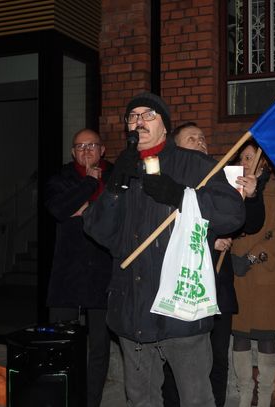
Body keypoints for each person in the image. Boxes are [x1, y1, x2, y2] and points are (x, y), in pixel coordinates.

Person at [83, 92, 245, 407]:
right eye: (133, 116)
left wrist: (180, 195)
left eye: (148, 115)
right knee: (141, 399)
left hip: (181, 313)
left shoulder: (194, 164)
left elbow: (232, 214)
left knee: (196, 399)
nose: (139, 121)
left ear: (165, 126)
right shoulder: (124, 169)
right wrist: (114, 187)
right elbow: (98, 231)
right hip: (132, 311)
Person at [160, 122, 263, 407]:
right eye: (192, 138)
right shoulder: (165, 179)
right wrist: (209, 240)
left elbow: (250, 223)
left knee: (217, 359)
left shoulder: (221, 177)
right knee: (175, 362)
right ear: (176, 147)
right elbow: (163, 231)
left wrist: (252, 197)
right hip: (181, 287)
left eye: (202, 138)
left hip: (216, 285)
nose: (200, 142)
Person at [44, 128, 113, 407]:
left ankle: (91, 401)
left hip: (105, 272)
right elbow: (58, 209)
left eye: (91, 145)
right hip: (68, 273)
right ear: (73, 152)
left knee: (99, 347)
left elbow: (118, 216)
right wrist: (89, 184)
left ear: (102, 150)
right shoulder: (61, 178)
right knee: (60, 343)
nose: (86, 150)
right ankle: (65, 399)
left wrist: (83, 208)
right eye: (80, 146)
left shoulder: (117, 175)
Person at [231, 140, 275, 407]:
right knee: (239, 335)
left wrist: (251, 257)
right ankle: (244, 394)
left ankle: (265, 395)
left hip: (266, 273)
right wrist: (229, 253)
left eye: (250, 157)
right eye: (242, 158)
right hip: (238, 274)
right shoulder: (232, 190)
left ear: (263, 162)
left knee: (266, 337)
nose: (245, 163)